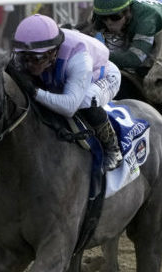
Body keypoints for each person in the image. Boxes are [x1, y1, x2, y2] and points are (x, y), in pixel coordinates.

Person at [10, 14, 124, 171]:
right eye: (24, 56)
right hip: (63, 75)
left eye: (35, 58)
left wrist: (34, 91)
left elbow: (69, 106)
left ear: (52, 52)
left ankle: (113, 148)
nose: (28, 64)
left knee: (84, 101)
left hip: (102, 76)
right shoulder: (28, 53)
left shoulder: (79, 59)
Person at [89, 0, 162, 80]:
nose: (109, 22)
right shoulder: (106, 10)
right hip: (134, 23)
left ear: (128, 12)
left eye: (115, 17)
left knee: (143, 70)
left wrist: (101, 56)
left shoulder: (146, 20)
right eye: (103, 17)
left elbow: (135, 59)